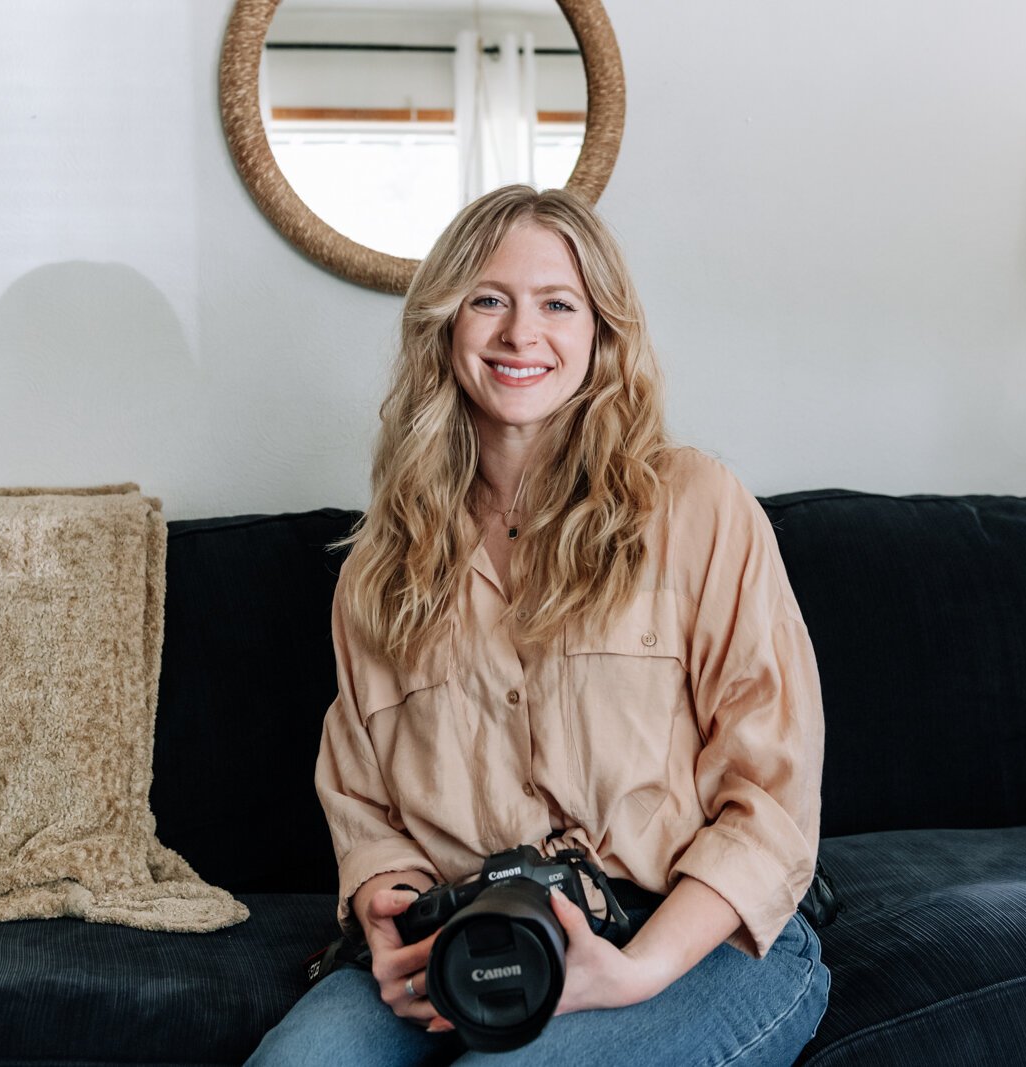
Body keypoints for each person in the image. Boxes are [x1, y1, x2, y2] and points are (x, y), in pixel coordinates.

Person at [246, 185, 828, 1066]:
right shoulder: (383, 565)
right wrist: (388, 901)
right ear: (446, 326)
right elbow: (364, 802)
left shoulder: (695, 506)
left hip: (691, 941)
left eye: (558, 303)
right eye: (489, 300)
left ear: (603, 332)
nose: (522, 334)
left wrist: (633, 971)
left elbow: (772, 793)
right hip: (477, 942)